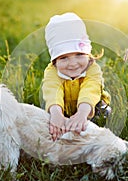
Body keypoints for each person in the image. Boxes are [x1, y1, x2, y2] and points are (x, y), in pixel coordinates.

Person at [42, 12, 111, 141]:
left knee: (104, 112)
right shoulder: (52, 71)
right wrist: (56, 114)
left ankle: (90, 127)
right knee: (48, 115)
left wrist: (82, 113)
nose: (73, 63)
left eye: (79, 55)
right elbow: (52, 90)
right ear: (55, 60)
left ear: (87, 53)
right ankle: (60, 123)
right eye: (64, 58)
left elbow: (91, 89)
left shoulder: (92, 68)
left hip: (90, 106)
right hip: (63, 107)